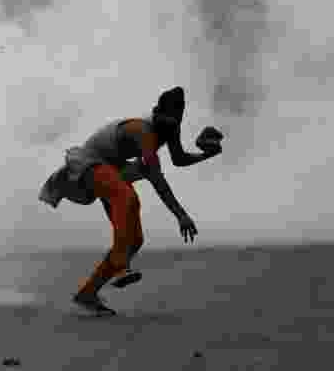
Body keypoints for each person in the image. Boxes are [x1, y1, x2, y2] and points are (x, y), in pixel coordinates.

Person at [38, 86, 224, 315]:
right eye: (170, 115)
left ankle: (87, 294)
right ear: (157, 112)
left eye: (178, 115)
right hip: (89, 164)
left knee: (134, 240)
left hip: (113, 171)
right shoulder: (142, 130)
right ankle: (120, 267)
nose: (174, 120)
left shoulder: (170, 128)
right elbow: (157, 179)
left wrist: (206, 154)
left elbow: (179, 159)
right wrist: (181, 215)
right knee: (126, 197)